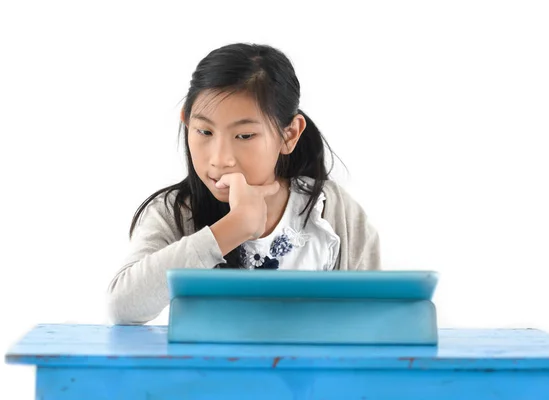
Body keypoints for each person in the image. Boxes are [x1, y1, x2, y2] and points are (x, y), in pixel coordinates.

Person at [107, 43, 381, 325]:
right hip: (210, 371)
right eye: (204, 131)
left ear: (289, 135)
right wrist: (232, 229)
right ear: (187, 123)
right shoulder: (174, 212)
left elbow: (372, 319)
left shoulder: (331, 213)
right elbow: (122, 307)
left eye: (245, 136)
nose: (220, 159)